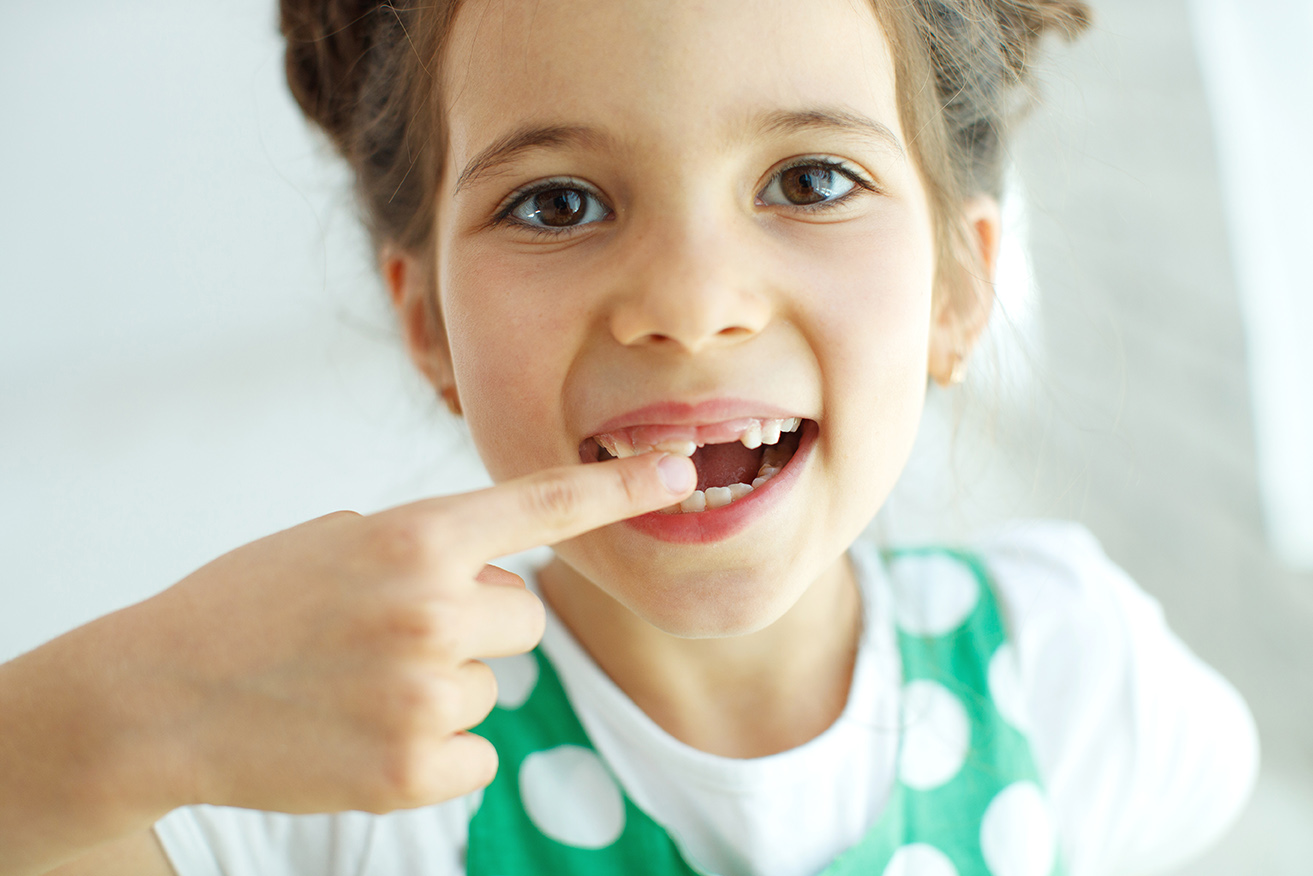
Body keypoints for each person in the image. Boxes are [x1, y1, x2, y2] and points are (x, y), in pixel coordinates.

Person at [2, 0, 1259, 874]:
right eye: (557, 203)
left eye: (809, 180)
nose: (689, 305)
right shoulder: (325, 785)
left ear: (954, 289)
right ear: (427, 323)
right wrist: (145, 702)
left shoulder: (1079, 682)